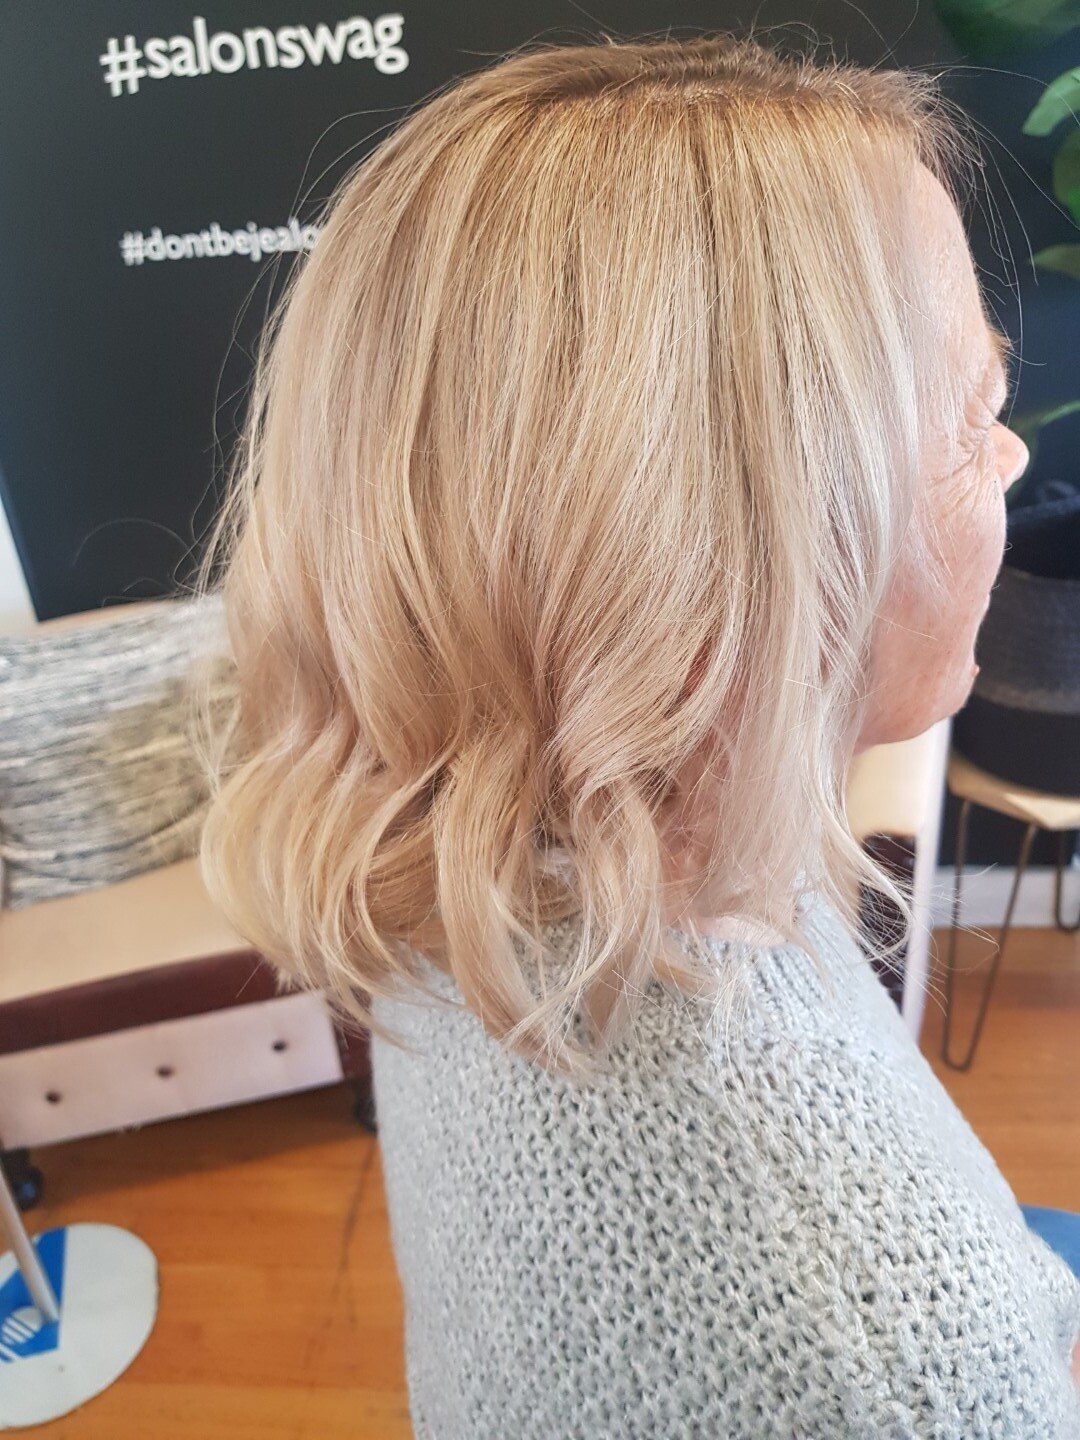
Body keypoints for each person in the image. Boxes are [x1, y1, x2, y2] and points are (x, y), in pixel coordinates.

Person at [196, 34, 1080, 1438]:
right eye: (972, 423)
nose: (1014, 467)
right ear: (738, 558)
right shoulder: (898, 1371)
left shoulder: (472, 856)